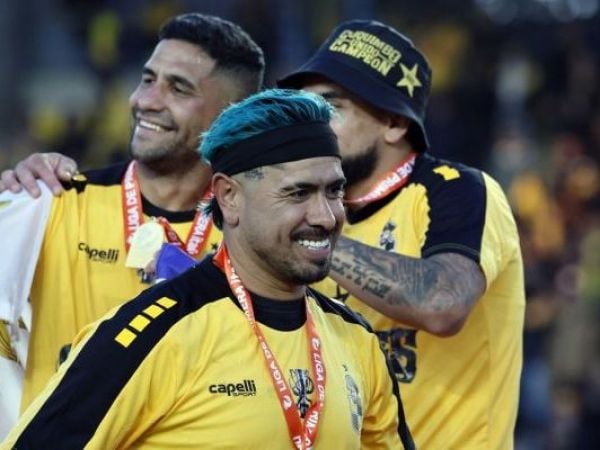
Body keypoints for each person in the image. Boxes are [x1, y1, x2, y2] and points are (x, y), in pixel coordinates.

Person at [1, 89, 415, 450]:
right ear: (229, 197)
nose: (325, 216)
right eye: (298, 193)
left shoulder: (356, 339)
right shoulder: (153, 334)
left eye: (334, 190)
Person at [0, 11, 265, 429]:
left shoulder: (257, 241)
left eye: (178, 88)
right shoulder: (49, 203)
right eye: (147, 79)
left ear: (232, 118)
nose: (146, 101)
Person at [277, 20, 525, 449]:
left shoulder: (458, 191)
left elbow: (442, 303)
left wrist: (305, 238)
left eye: (330, 107)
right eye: (304, 108)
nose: (310, 124)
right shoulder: (306, 208)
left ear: (393, 122)